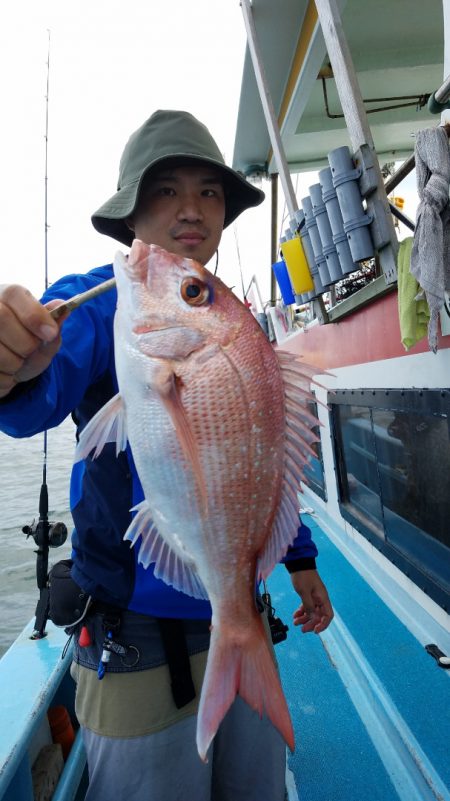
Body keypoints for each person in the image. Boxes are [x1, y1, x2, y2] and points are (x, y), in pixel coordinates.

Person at [0, 110, 333, 801]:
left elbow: (262, 458)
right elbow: (39, 394)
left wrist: (299, 560)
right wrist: (17, 363)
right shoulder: (100, 304)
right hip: (135, 641)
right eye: (166, 190)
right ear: (131, 210)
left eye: (209, 192)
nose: (191, 208)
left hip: (238, 604)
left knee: (257, 790)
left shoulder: (228, 319)